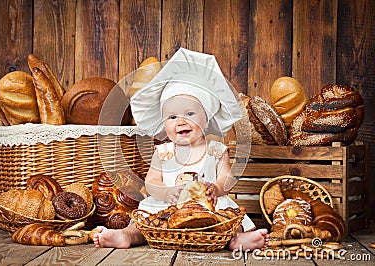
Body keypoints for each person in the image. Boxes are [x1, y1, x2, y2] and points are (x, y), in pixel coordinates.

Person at [93, 48, 269, 251]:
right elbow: (151, 182)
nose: (181, 122)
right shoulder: (163, 152)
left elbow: (226, 180)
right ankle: (126, 236)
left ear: (206, 118)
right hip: (168, 208)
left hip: (207, 209)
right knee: (146, 222)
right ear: (163, 122)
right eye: (172, 117)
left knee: (227, 218)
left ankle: (237, 240)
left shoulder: (216, 150)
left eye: (190, 114)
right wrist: (165, 192)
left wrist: (216, 189)